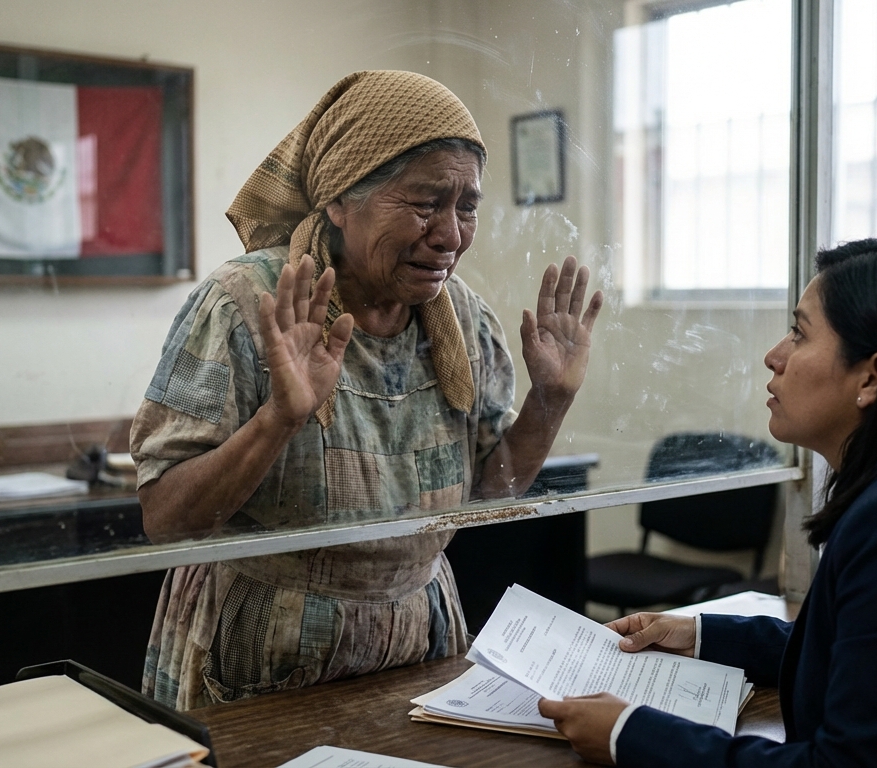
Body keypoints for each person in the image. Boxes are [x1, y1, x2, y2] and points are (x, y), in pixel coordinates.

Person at [131, 70, 603, 710]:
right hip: (265, 647)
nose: (451, 234)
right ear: (338, 200)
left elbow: (489, 496)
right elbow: (165, 520)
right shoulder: (246, 306)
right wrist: (278, 420)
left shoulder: (461, 320)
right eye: (425, 202)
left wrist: (551, 399)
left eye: (466, 206)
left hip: (418, 638)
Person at [539, 238, 877, 766]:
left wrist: (629, 733)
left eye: (799, 335)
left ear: (872, 375)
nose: (773, 356)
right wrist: (701, 633)